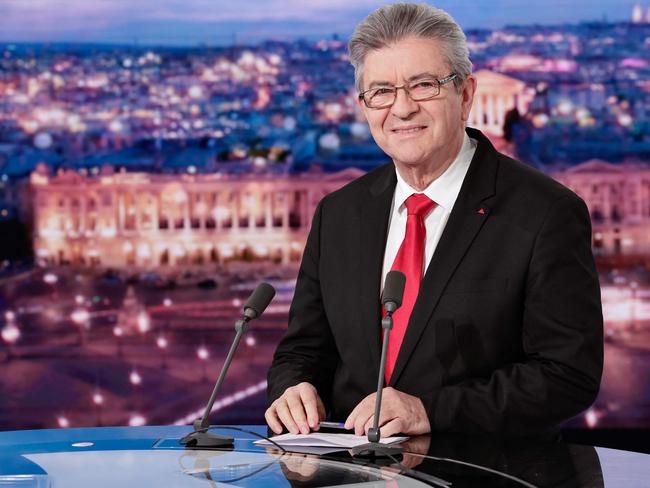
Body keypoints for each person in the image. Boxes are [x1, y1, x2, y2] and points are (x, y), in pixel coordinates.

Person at [265, 3, 603, 438]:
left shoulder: (545, 212)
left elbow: (568, 374)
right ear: (364, 106)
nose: (401, 109)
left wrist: (431, 411)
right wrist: (293, 386)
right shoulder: (339, 213)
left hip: (486, 472)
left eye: (423, 85)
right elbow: (303, 350)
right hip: (352, 474)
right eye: (381, 91)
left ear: (465, 94)